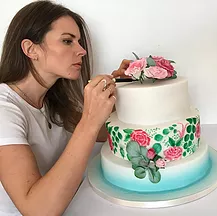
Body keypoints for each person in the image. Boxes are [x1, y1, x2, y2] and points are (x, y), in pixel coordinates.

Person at [0, 1, 131, 215]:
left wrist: (122, 87)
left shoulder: (52, 99)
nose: (82, 51)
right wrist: (88, 120)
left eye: (79, 42)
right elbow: (37, 211)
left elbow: (105, 133)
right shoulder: (4, 109)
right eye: (67, 41)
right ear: (30, 49)